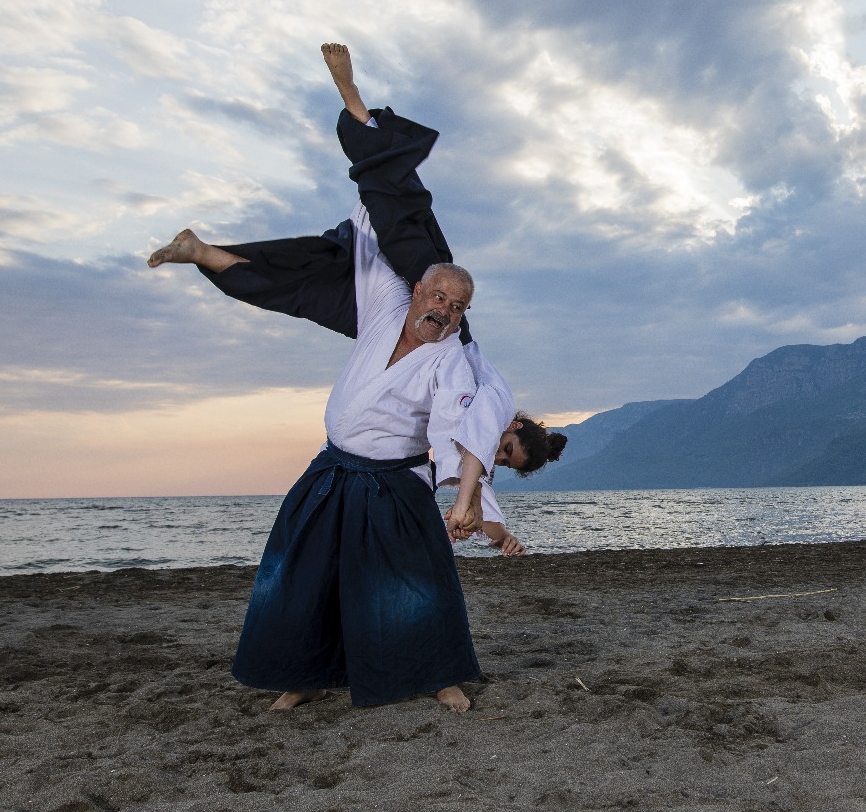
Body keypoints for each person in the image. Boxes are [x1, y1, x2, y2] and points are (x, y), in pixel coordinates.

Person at [151, 51, 510, 714]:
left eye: (457, 307)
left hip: (394, 484)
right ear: (417, 289)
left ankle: (437, 674)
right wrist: (352, 98)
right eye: (436, 296)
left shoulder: (451, 356)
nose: (443, 311)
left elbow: (462, 425)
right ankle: (307, 673)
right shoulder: (383, 304)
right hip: (331, 472)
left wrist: (467, 499)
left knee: (415, 585)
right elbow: (388, 208)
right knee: (302, 579)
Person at [150, 45, 565, 554]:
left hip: (387, 322)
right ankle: (354, 102)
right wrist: (350, 92)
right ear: (515, 424)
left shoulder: (458, 394)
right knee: (400, 209)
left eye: (501, 461)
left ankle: (204, 253)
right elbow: (471, 442)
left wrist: (494, 528)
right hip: (416, 295)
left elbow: (469, 464)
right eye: (506, 449)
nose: (495, 456)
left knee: (301, 291)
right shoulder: (481, 377)